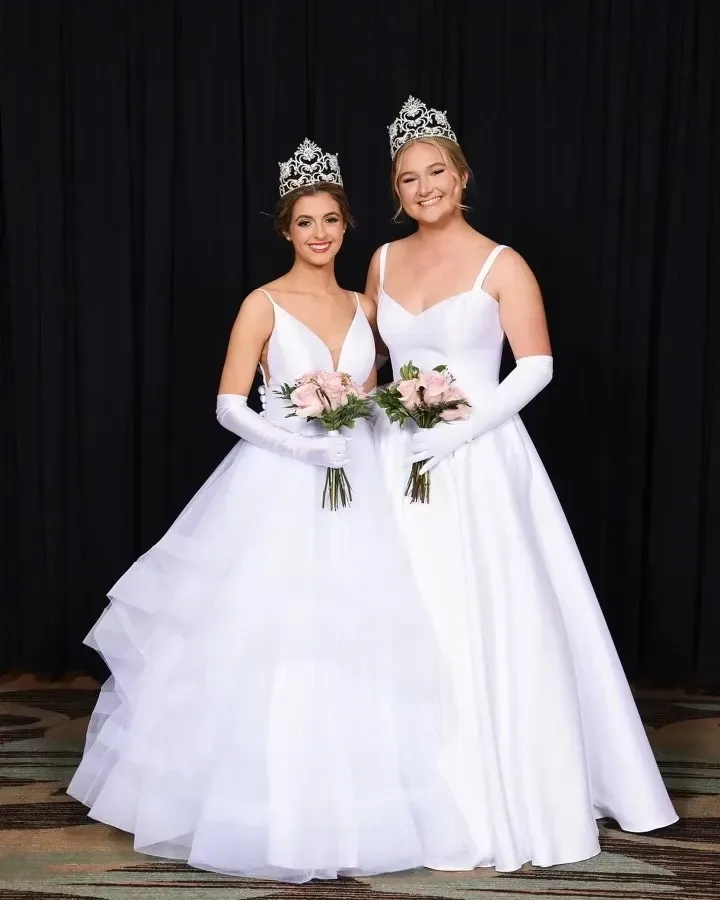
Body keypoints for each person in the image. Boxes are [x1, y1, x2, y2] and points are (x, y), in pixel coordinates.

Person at [67, 139, 471, 883]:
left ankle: (352, 802)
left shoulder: (361, 305)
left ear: (347, 226)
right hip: (278, 484)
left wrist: (399, 418)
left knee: (354, 633)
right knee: (271, 635)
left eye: (331, 221)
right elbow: (227, 405)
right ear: (286, 229)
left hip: (354, 492)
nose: (319, 234)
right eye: (305, 222)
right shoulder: (263, 303)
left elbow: (371, 392)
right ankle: (255, 809)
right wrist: (299, 446)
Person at [365, 96, 678, 873]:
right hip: (395, 457)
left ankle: (499, 793)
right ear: (395, 191)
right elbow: (366, 356)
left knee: (484, 616)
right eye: (409, 178)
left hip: (479, 459)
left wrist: (462, 430)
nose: (424, 187)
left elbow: (536, 366)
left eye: (437, 171)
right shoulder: (378, 260)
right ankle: (392, 794)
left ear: (464, 175)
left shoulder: (504, 264)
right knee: (397, 613)